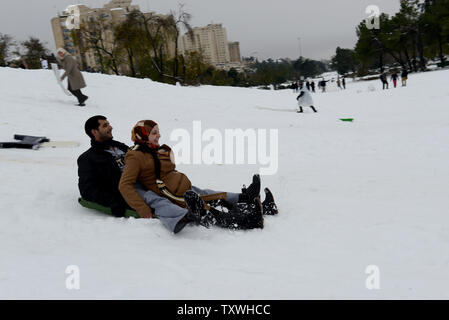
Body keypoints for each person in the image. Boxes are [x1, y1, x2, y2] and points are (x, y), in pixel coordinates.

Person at [119, 120, 278, 233]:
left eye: (158, 132)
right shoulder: (135, 156)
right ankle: (248, 221)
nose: (159, 135)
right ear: (143, 135)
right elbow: (125, 184)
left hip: (182, 187)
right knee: (208, 204)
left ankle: (250, 199)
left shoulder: (154, 150)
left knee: (210, 194)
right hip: (170, 194)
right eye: (154, 133)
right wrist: (142, 208)